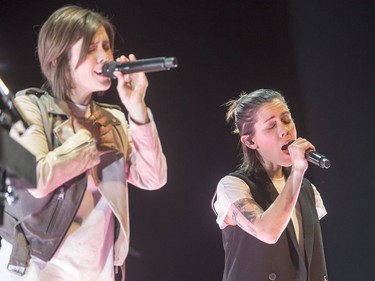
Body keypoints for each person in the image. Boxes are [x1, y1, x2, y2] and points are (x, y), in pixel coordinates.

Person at [0, 5, 167, 281]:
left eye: (106, 46)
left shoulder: (112, 119)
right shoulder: (25, 106)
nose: (105, 56)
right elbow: (37, 178)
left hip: (97, 273)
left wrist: (136, 108)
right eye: (91, 48)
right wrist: (88, 139)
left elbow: (153, 177)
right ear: (58, 59)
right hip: (37, 270)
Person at [212, 89, 329, 281]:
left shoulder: (307, 189)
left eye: (286, 119)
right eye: (270, 126)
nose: (284, 130)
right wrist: (298, 171)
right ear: (250, 141)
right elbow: (267, 232)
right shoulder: (232, 186)